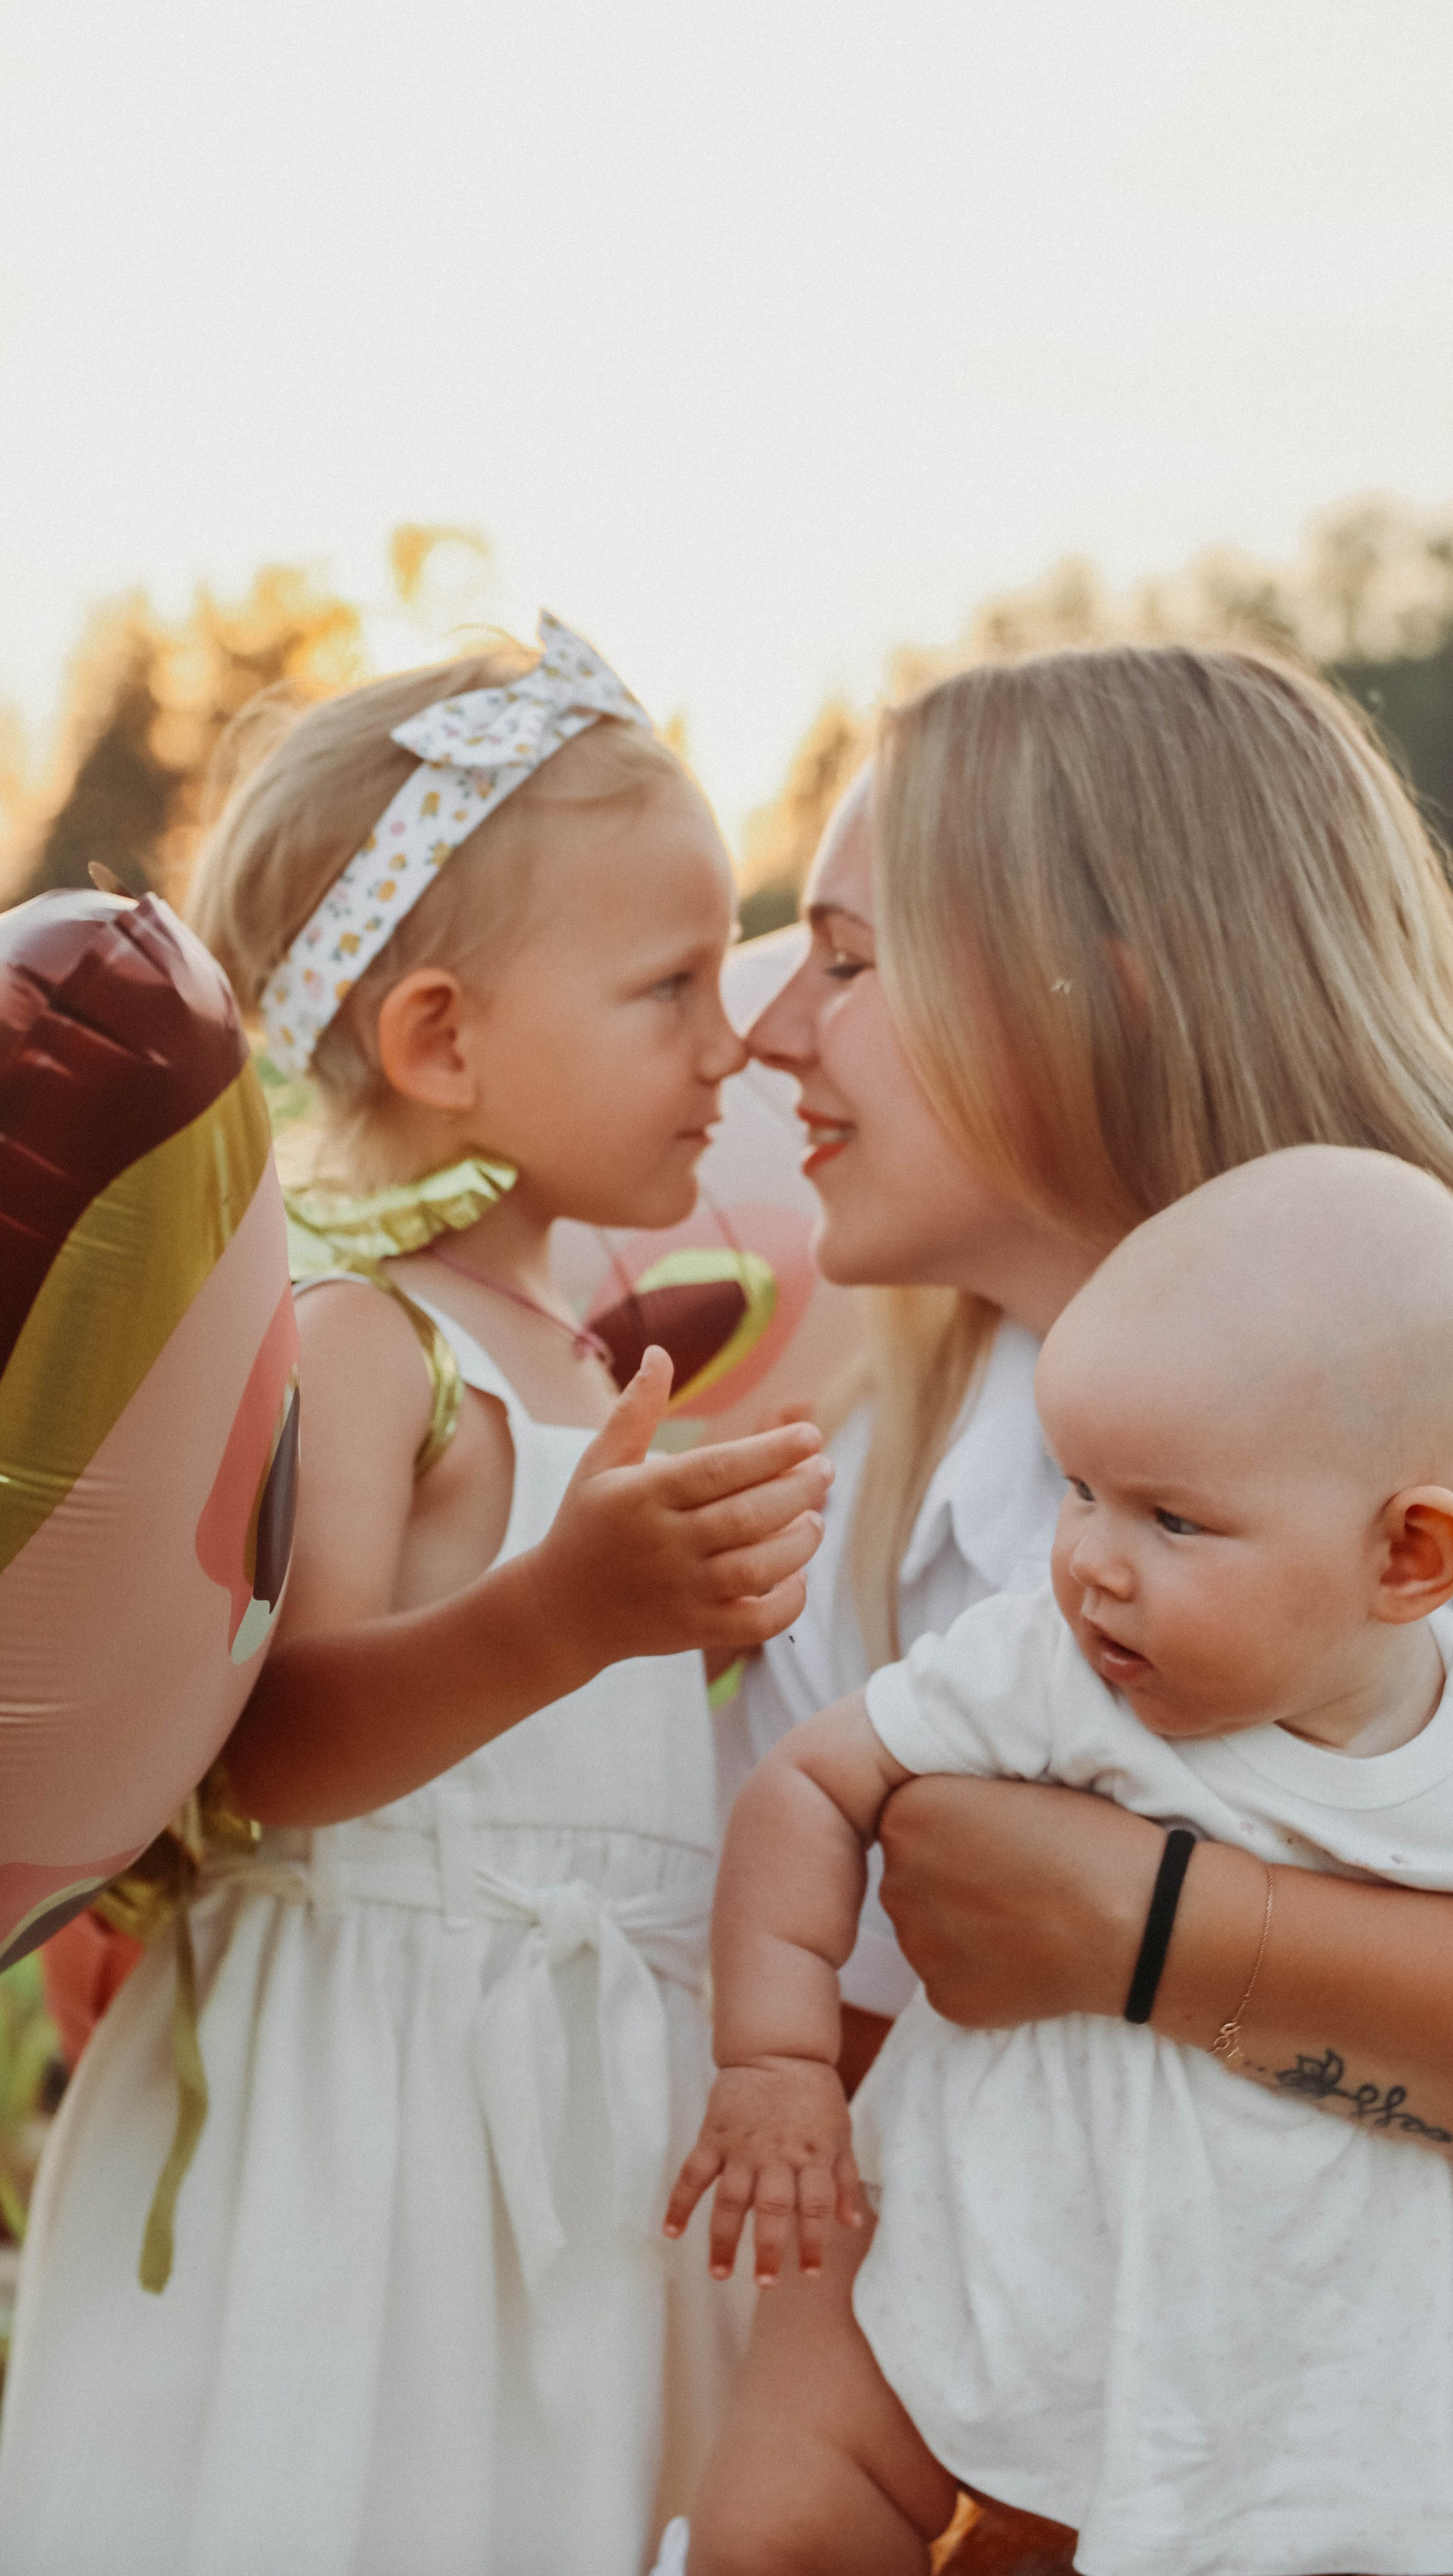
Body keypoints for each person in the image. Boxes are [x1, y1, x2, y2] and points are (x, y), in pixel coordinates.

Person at [706, 644, 1453, 2576]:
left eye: (846, 955)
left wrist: (1154, 1931)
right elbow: (909, 2189)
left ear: (1099, 988)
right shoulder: (914, 1478)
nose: (770, 1031)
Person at [0, 618, 834, 2576]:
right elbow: (280, 1748)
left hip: (576, 2075)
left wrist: (662, 1628)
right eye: (671, 990)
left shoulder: (567, 1336)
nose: (734, 1044)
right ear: (444, 1038)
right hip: (380, 2099)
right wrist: (565, 1613)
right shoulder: (364, 1337)